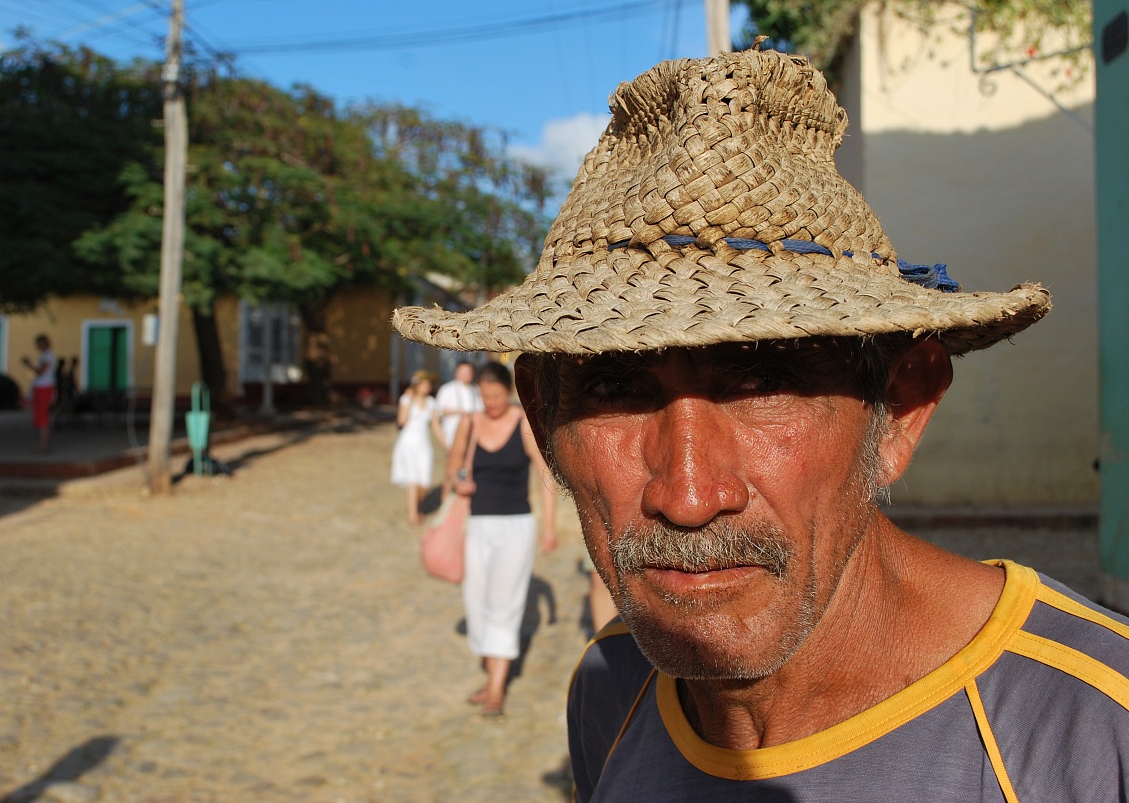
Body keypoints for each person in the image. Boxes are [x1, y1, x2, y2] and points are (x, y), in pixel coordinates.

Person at [393, 45, 1129, 799]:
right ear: (545, 420)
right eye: (615, 386)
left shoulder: (1096, 732)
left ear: (901, 410)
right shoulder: (612, 687)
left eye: (765, 380)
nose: (687, 494)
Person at [447, 362, 557, 717]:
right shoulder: (470, 422)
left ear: (507, 392)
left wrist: (549, 526)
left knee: (504, 603)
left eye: (495, 395)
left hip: (516, 526)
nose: (490, 402)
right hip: (477, 525)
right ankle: (491, 675)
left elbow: (545, 474)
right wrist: (458, 479)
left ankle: (496, 690)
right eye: (484, 395)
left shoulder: (523, 423)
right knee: (476, 603)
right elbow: (451, 465)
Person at [390, 370, 445, 525]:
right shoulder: (406, 399)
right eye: (424, 383)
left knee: (424, 483)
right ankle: (414, 514)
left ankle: (417, 507)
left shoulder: (432, 403)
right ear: (417, 385)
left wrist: (446, 444)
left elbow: (436, 426)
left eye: (429, 383)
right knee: (413, 479)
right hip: (408, 443)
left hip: (424, 445)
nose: (427, 386)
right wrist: (409, 400)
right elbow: (401, 422)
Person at [21, 334, 56, 453]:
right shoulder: (43, 356)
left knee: (43, 418)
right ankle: (44, 445)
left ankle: (44, 446)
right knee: (40, 417)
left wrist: (29, 364)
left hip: (44, 389)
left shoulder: (48, 356)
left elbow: (41, 372)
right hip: (40, 388)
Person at [436, 361, 480, 448]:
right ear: (457, 373)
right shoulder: (447, 389)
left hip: (473, 434)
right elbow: (438, 411)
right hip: (452, 433)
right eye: (463, 372)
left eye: (468, 372)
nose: (466, 375)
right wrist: (457, 411)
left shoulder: (476, 390)